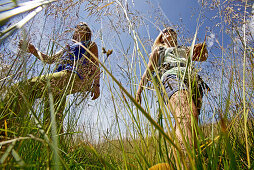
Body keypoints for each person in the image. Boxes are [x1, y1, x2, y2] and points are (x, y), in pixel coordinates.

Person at [1, 22, 100, 135]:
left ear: (86, 31)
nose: (78, 27)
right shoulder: (67, 47)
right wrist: (33, 50)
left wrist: (96, 85)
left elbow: (95, 65)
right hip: (58, 80)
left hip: (70, 75)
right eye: (77, 26)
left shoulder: (90, 44)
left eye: (82, 26)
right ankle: (55, 149)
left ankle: (5, 130)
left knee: (23, 87)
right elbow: (49, 59)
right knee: (52, 119)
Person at [135, 27, 209, 154]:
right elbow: (148, 71)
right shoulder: (159, 50)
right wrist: (139, 91)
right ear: (161, 37)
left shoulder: (184, 49)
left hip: (192, 80)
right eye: (165, 31)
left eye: (172, 30)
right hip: (171, 77)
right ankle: (189, 163)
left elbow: (203, 57)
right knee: (187, 115)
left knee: (187, 123)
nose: (169, 32)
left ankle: (175, 161)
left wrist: (203, 47)